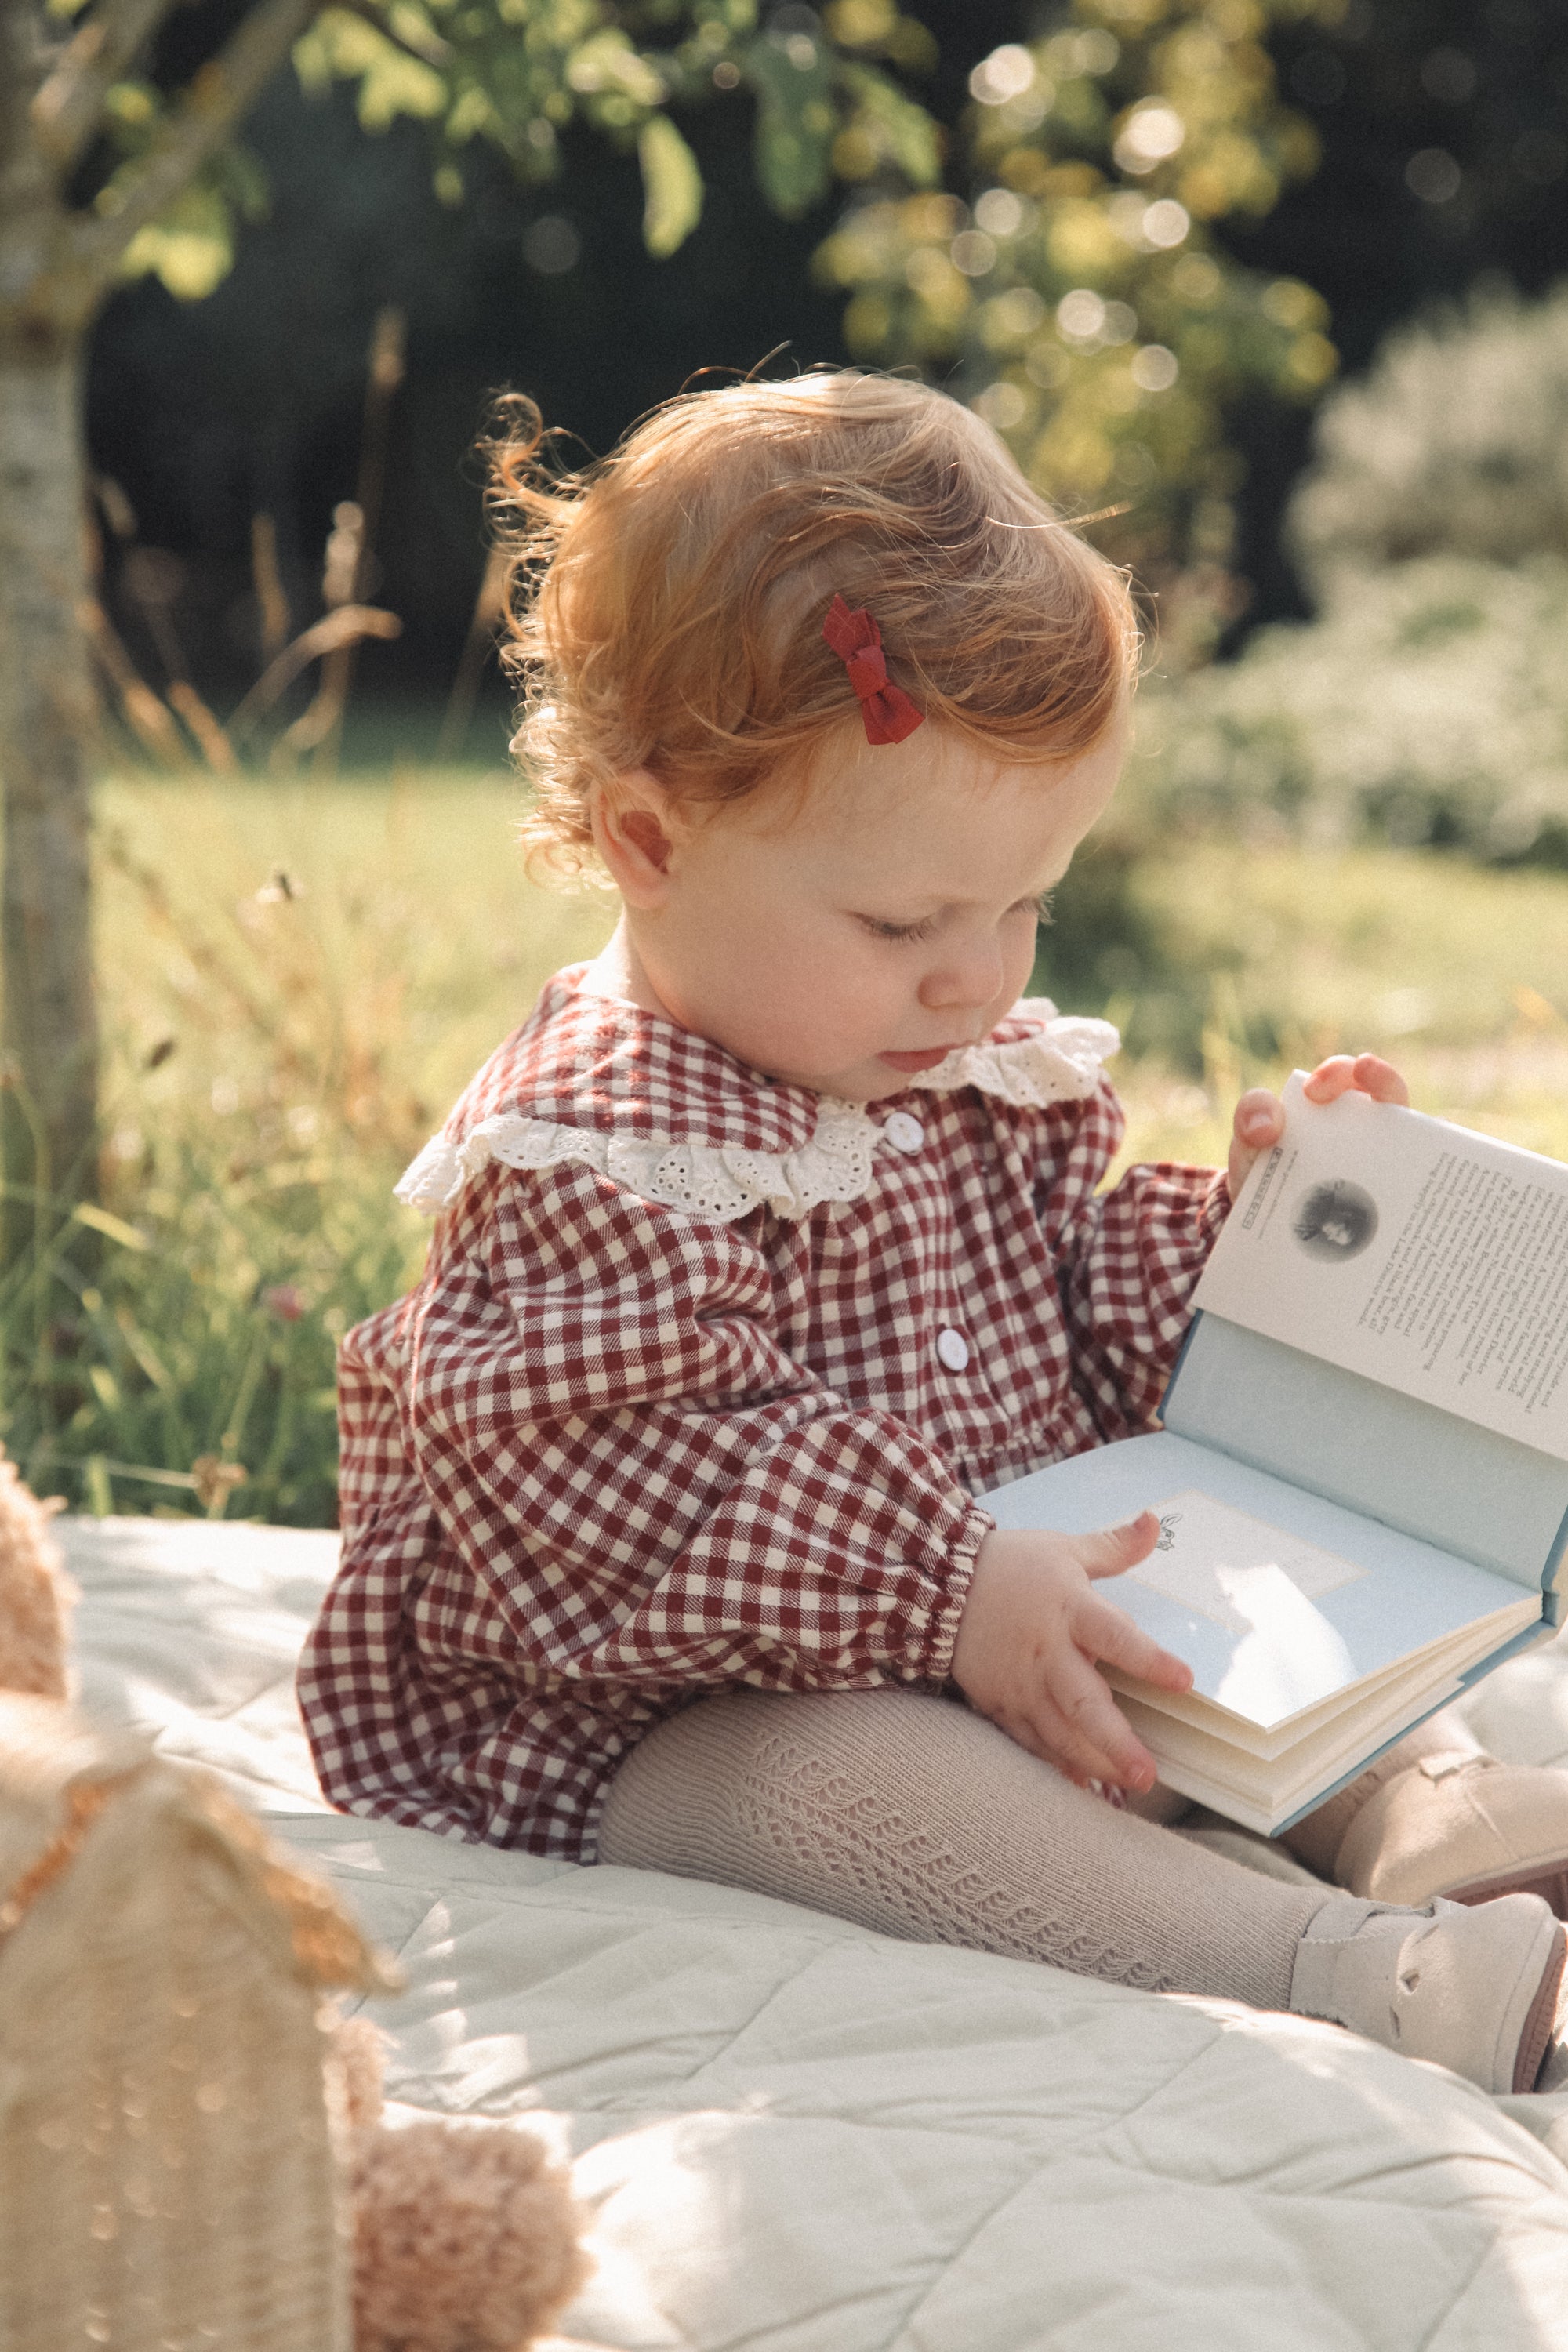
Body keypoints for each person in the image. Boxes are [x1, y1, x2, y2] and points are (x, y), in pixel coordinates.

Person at [299, 372, 1568, 2098]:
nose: (980, 976)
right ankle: (1333, 1968)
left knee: (1204, 1588)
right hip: (658, 1709)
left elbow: (1083, 1313)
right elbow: (645, 1491)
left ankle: (1412, 1806)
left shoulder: (954, 1053)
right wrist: (948, 1584)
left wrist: (1261, 1242)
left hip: (1006, 1609)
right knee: (840, 1777)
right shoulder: (593, 1157)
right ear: (650, 839)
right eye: (905, 919)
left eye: (1025, 903)